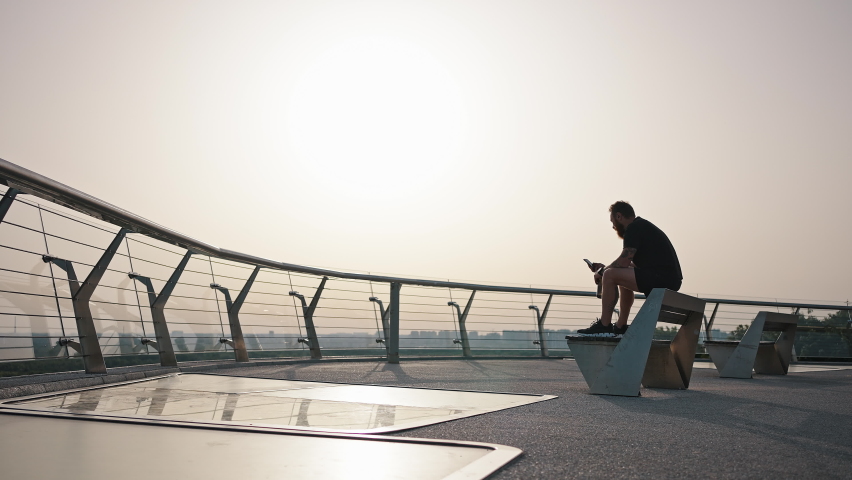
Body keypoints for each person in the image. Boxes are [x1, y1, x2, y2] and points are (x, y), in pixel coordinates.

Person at [577, 201, 682, 337]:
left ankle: (604, 325)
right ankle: (620, 326)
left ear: (619, 216)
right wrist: (605, 269)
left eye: (612, 221)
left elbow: (624, 261)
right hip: (667, 278)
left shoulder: (633, 228)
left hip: (662, 278)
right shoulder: (641, 226)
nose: (613, 227)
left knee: (610, 274)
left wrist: (603, 273)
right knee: (617, 274)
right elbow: (628, 265)